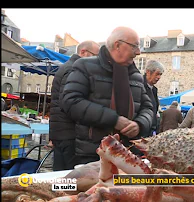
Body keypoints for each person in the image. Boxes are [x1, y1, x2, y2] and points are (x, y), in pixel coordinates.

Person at [60, 26, 153, 164]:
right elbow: (70, 101)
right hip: (93, 154)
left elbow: (148, 108)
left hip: (129, 155)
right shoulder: (85, 66)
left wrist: (139, 124)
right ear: (117, 45)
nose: (138, 52)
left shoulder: (136, 76)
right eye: (135, 46)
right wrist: (114, 120)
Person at [49, 40, 100, 171]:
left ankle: (60, 191)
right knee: (71, 179)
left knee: (61, 178)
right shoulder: (75, 69)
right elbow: (70, 103)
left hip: (62, 132)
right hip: (70, 134)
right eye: (95, 55)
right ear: (83, 52)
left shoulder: (67, 67)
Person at [143, 60, 164, 136]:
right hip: (141, 131)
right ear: (148, 72)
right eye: (157, 74)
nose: (159, 77)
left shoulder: (154, 90)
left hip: (151, 131)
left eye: (160, 75)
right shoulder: (139, 87)